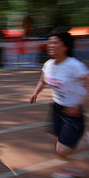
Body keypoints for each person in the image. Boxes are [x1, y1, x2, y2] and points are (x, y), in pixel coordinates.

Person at [30, 27, 89, 178]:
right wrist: (36, 92)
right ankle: (72, 169)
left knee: (61, 150)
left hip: (72, 111)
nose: (51, 45)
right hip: (56, 108)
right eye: (50, 43)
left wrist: (78, 104)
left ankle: (84, 147)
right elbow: (42, 80)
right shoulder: (48, 64)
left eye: (55, 43)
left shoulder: (74, 65)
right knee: (54, 142)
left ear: (65, 46)